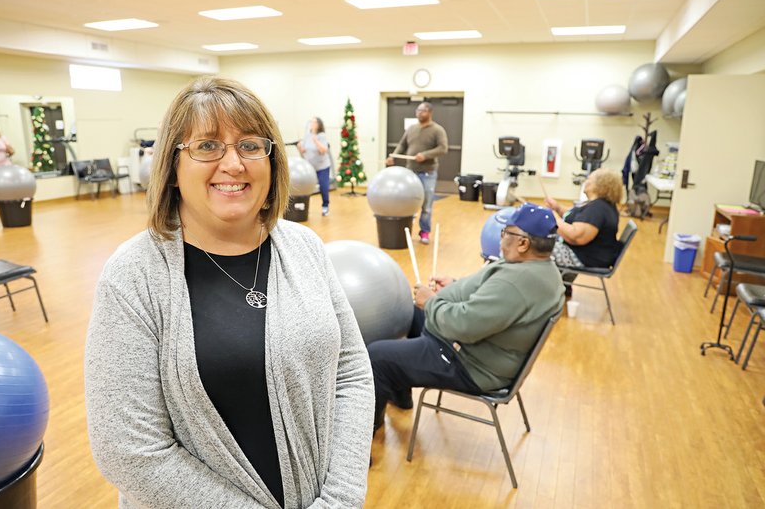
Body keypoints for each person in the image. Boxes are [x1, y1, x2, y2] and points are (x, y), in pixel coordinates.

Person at [84, 76, 374, 509]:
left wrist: (341, 499)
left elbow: (351, 373)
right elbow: (130, 452)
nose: (233, 164)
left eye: (251, 145)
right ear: (173, 167)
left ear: (271, 160)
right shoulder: (133, 275)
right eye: (207, 146)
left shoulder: (304, 247)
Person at [368, 202, 564, 432]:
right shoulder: (539, 268)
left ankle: (364, 436)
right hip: (476, 349)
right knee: (408, 314)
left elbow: (464, 326)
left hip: (468, 364)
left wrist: (431, 302)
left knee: (376, 356)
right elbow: (489, 297)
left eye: (506, 232)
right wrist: (454, 286)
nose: (502, 239)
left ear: (523, 243)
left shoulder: (516, 283)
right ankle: (400, 396)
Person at [385, 101, 448, 244]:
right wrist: (393, 156)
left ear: (430, 113)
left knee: (426, 205)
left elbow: (443, 148)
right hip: (410, 172)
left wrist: (425, 155)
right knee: (407, 202)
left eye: (422, 111)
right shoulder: (411, 128)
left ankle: (424, 232)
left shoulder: (438, 130)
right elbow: (402, 145)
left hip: (428, 173)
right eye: (418, 110)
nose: (419, 113)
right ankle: (405, 231)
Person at [545, 167, 623, 269]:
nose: (585, 183)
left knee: (532, 247)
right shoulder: (602, 206)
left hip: (582, 257)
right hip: (584, 254)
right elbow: (576, 217)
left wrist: (554, 219)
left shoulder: (598, 209)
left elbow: (576, 237)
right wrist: (557, 208)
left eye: (589, 180)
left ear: (600, 185)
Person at [296, 117, 331, 216]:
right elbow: (304, 151)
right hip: (310, 167)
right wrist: (300, 147)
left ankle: (325, 206)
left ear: (318, 124)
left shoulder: (321, 136)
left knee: (323, 186)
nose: (311, 123)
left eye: (314, 122)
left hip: (322, 167)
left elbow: (324, 150)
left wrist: (316, 141)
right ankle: (303, 206)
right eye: (311, 121)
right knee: (306, 186)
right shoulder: (307, 135)